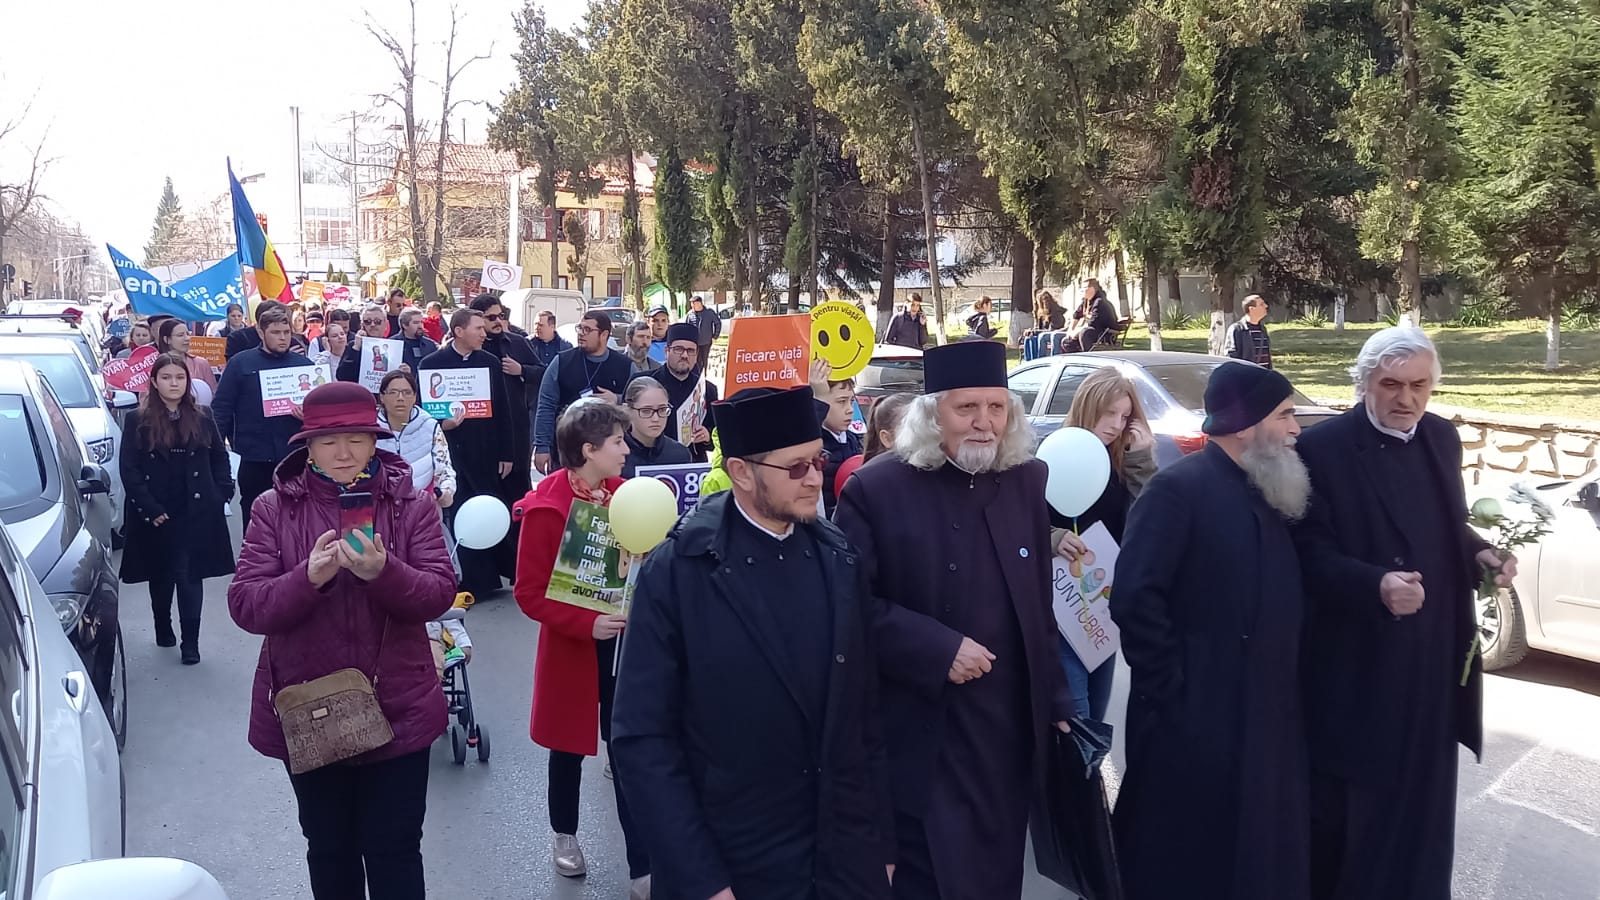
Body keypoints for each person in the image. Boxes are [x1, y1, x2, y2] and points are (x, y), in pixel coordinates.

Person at [612, 385, 894, 900]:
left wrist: (882, 845)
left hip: (842, 856)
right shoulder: (678, 572)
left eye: (818, 461)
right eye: (796, 468)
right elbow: (644, 739)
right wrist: (701, 880)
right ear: (741, 472)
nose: (816, 479)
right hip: (733, 860)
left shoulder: (839, 558)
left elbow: (864, 714)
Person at [834, 340, 1071, 900]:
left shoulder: (1025, 480)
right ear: (932, 413)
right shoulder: (876, 489)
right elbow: (846, 608)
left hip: (1005, 734)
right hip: (922, 736)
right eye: (967, 408)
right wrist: (936, 649)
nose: (984, 423)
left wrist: (1058, 702)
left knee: (996, 877)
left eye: (997, 408)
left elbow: (1038, 603)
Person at [1293, 327, 1513, 900]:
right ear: (1365, 382)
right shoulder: (1322, 448)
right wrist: (1374, 586)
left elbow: (1445, 527)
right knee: (1353, 831)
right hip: (1361, 671)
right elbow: (1305, 553)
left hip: (1433, 667)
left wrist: (1480, 554)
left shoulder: (1441, 437)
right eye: (1391, 385)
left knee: (1424, 823)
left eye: (1419, 386)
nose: (1406, 399)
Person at [228, 381, 456, 900]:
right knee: (330, 849)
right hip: (311, 707)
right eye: (329, 441)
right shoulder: (272, 509)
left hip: (399, 706)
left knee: (396, 849)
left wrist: (385, 573)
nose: (344, 452)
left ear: (375, 441)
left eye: (356, 438)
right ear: (308, 447)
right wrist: (306, 579)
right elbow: (246, 604)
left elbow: (439, 592)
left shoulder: (411, 505)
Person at [1110, 361, 1312, 900]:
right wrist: (1175, 691)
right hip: (1193, 717)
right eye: (1285, 415)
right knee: (1186, 859)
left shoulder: (1265, 486)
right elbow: (1135, 598)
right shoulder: (1177, 490)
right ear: (1246, 424)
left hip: (1262, 715)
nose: (1295, 428)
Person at [512, 400, 651, 897]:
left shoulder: (626, 497)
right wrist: (587, 624)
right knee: (567, 748)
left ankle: (642, 863)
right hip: (574, 646)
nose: (626, 449)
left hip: (624, 645)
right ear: (589, 450)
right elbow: (529, 593)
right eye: (617, 441)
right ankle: (564, 834)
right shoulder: (547, 508)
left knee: (628, 748)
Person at [1051, 368, 1159, 722]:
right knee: (1077, 719)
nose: (1116, 424)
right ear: (1088, 407)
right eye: (1109, 413)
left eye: (1125, 416)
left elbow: (1148, 525)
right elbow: (1017, 523)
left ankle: (1090, 763)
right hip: (1060, 610)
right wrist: (1053, 537)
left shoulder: (1120, 462)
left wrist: (1141, 461)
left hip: (1102, 607)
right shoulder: (1054, 453)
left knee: (1096, 717)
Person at [119, 353, 235, 664]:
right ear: (154, 382)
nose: (174, 383)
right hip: (156, 512)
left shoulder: (202, 415)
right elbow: (129, 469)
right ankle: (162, 625)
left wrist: (223, 492)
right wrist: (149, 507)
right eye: (167, 378)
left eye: (180, 377)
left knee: (189, 575)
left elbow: (219, 457)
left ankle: (191, 643)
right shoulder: (137, 419)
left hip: (195, 510)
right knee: (161, 574)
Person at [418, 309, 513, 598]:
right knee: (457, 509)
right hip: (450, 451)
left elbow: (503, 408)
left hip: (485, 450)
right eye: (478, 329)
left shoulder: (489, 362)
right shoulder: (431, 364)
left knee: (485, 506)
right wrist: (442, 424)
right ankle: (465, 577)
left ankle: (492, 576)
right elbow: (423, 412)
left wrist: (507, 452)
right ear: (459, 331)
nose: (484, 334)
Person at [213, 306, 315, 532]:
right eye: (276, 332)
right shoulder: (240, 363)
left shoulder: (304, 366)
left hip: (295, 456)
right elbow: (221, 408)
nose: (283, 338)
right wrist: (216, 450)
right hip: (254, 456)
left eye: (286, 332)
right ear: (261, 333)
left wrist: (308, 416)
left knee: (297, 515)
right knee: (255, 515)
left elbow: (321, 413)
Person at [534, 310, 632, 473]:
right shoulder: (561, 362)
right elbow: (546, 405)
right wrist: (542, 446)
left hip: (610, 455)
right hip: (567, 452)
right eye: (580, 328)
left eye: (587, 330)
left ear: (604, 335)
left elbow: (638, 404)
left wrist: (617, 399)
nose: (581, 333)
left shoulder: (625, 366)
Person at [627, 323, 719, 463]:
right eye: (678, 349)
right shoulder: (643, 381)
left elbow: (717, 435)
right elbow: (625, 426)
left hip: (692, 463)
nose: (684, 355)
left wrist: (707, 436)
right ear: (667, 351)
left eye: (690, 350)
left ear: (696, 354)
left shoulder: (707, 389)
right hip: (648, 461)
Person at [376, 370, 456, 510]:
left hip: (422, 506)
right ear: (382, 397)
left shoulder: (430, 426)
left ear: (414, 397)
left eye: (407, 392)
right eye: (393, 392)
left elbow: (444, 469)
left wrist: (446, 492)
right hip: (381, 507)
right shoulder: (371, 429)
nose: (400, 398)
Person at [620, 377, 691, 478]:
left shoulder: (680, 454)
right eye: (646, 411)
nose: (655, 418)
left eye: (662, 409)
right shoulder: (616, 455)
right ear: (628, 410)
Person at [816, 371, 861, 517]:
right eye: (841, 401)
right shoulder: (816, 445)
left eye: (852, 401)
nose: (850, 410)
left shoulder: (853, 440)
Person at [155, 318, 219, 405]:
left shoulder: (201, 363)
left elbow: (214, 393)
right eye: (180, 335)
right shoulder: (154, 365)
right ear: (167, 339)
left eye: (188, 334)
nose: (187, 338)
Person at [337, 305, 393, 385]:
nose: (372, 325)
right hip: (359, 391)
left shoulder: (393, 346)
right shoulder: (354, 345)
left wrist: (404, 372)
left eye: (377, 321)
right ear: (362, 325)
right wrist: (356, 348)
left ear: (385, 324)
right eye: (368, 321)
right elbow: (342, 376)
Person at [1066, 280, 1118, 352]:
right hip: (1093, 329)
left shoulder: (1100, 302)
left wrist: (1077, 332)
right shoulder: (1086, 302)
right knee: (1064, 340)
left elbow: (1092, 322)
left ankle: (1087, 356)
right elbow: (1076, 316)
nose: (1082, 290)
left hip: (1104, 333)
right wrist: (1070, 331)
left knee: (1084, 333)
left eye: (1084, 287)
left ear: (1092, 289)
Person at [1229, 294, 1273, 368]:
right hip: (1247, 374)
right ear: (1252, 309)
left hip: (1263, 374)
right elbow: (1231, 357)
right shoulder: (1237, 329)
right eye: (1261, 304)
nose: (1266, 306)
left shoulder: (1262, 329)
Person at [396, 307, 439, 372]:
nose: (420, 326)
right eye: (416, 323)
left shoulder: (431, 345)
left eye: (421, 322)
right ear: (404, 325)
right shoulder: (393, 345)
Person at [685, 295, 721, 361]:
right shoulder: (690, 314)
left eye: (694, 304)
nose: (692, 306)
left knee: (704, 360)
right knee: (695, 360)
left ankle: (704, 368)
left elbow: (717, 323)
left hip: (706, 341)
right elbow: (687, 328)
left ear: (699, 303)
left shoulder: (709, 312)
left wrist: (715, 336)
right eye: (692, 304)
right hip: (694, 342)